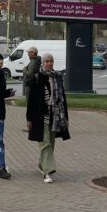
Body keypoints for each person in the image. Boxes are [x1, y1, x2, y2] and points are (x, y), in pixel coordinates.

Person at [26, 53, 70, 183]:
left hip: (55, 115)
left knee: (51, 143)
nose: (49, 63)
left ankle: (42, 164)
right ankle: (47, 172)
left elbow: (63, 98)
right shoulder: (37, 78)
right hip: (41, 116)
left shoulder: (58, 77)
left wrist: (66, 117)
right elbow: (31, 100)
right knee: (45, 143)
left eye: (51, 61)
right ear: (43, 63)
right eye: (46, 61)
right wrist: (29, 118)